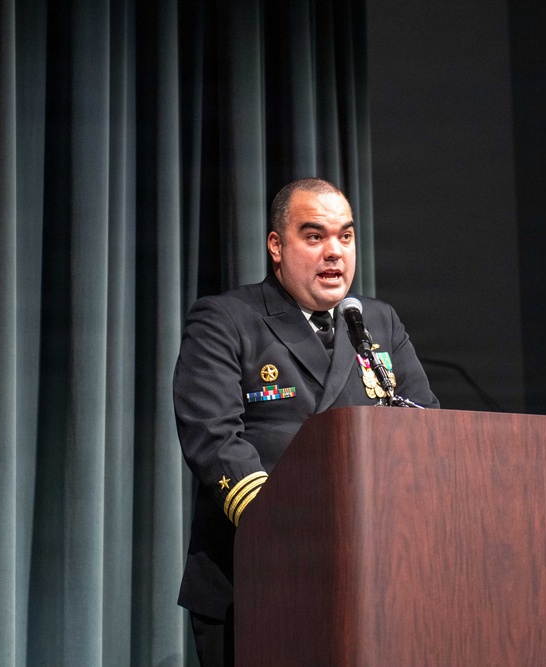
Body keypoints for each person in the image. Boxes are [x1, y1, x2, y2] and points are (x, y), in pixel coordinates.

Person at [173, 178, 438, 666]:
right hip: (258, 577)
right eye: (314, 237)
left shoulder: (378, 323)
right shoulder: (227, 319)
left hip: (376, 575)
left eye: (345, 236)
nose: (334, 252)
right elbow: (214, 439)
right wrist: (282, 529)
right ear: (277, 246)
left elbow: (428, 433)